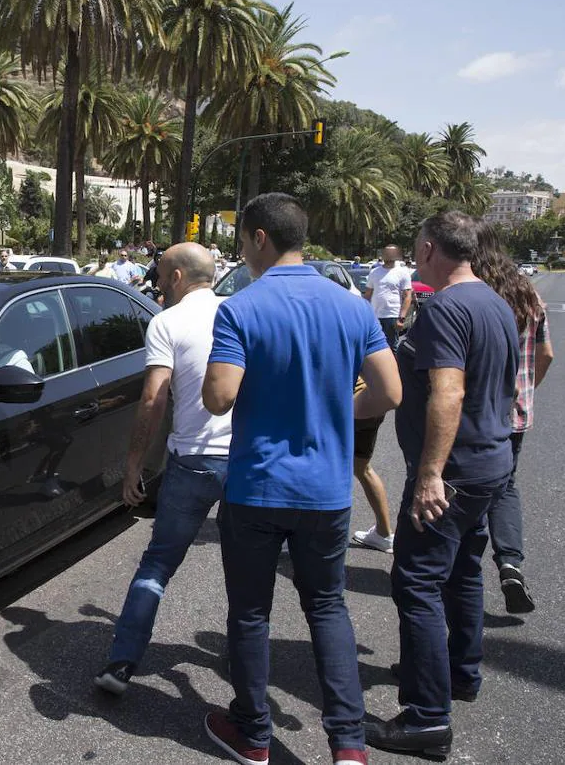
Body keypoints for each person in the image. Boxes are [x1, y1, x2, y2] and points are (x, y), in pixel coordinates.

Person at [202, 193, 400, 765]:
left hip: (257, 487)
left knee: (250, 612)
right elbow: (390, 392)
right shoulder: (353, 307)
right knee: (328, 606)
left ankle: (254, 734)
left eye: (242, 240)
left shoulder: (240, 308)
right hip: (326, 492)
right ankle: (349, 746)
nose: (241, 251)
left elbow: (219, 397)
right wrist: (338, 407)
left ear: (259, 238)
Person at [363, 211, 518, 758]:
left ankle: (427, 718)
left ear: (428, 248)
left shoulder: (449, 307)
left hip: (453, 473)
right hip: (491, 463)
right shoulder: (494, 301)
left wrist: (430, 473)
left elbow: (448, 393)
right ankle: (461, 674)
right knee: (461, 573)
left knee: (417, 584)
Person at [93, 243, 231, 695]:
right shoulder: (239, 314)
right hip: (245, 461)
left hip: (192, 461)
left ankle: (121, 664)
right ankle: (244, 662)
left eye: (160, 272)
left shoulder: (166, 322)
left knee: (156, 565)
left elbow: (153, 399)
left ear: (175, 277)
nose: (155, 280)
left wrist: (133, 465)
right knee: (246, 565)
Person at [472, 221, 553, 614]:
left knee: (465, 488)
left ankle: (462, 569)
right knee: (504, 488)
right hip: (515, 414)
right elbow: (547, 353)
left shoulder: (474, 296)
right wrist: (525, 389)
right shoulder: (529, 294)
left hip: (476, 413)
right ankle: (510, 562)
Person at [350, 378, 396, 552]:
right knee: (362, 468)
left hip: (346, 402)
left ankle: (296, 535)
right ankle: (384, 534)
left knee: (318, 465)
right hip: (371, 402)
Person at [363, 245, 413, 351]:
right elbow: (367, 295)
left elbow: (408, 297)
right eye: (386, 253)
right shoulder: (374, 272)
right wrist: (364, 314)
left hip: (392, 316)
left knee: (391, 347)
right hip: (375, 316)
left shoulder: (402, 272)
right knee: (373, 347)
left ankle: (393, 367)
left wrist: (401, 318)